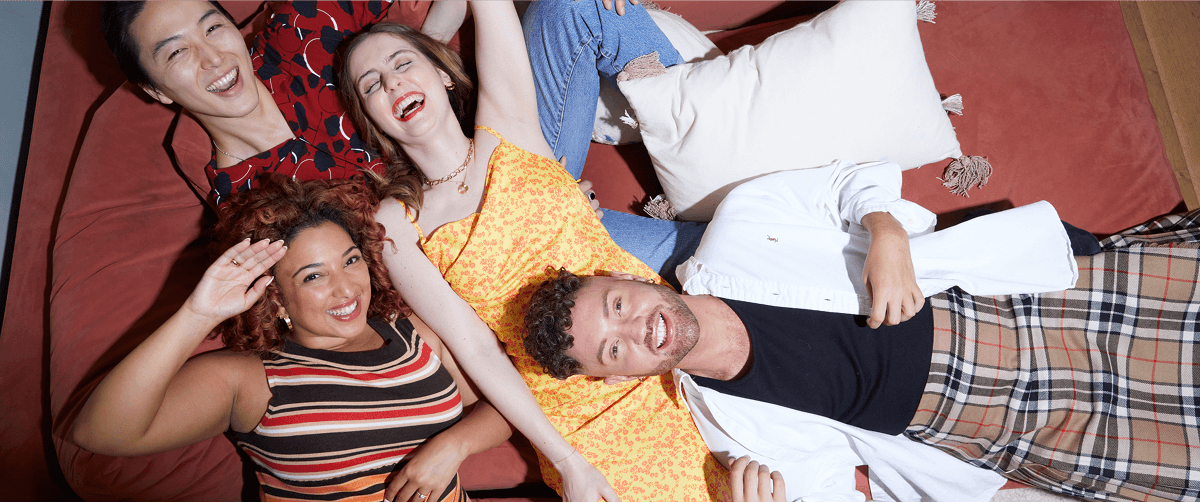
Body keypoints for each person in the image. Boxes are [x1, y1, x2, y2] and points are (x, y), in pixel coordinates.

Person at [99, 2, 617, 498]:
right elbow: (389, 302)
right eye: (176, 53)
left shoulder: (301, 29)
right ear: (154, 89)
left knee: (573, 6)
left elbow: (408, 64)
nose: (211, 57)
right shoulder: (252, 207)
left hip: (510, 156)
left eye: (211, 27)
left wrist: (430, 45)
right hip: (486, 262)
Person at [522, 160, 1200, 502]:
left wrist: (885, 228)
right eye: (616, 348)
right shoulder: (726, 431)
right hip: (989, 422)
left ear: (630, 276)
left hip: (996, 307)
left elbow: (853, 177)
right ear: (618, 375)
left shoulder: (739, 227)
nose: (639, 327)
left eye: (617, 303)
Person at [339, 1, 726, 499]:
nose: (392, 84)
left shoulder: (505, 124)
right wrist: (567, 461)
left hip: (643, 313)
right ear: (372, 120)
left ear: (443, 75)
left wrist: (433, 26)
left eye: (402, 64)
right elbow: (477, 349)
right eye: (371, 85)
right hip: (573, 406)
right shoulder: (395, 224)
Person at [71, 175, 514, 502]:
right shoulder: (250, 378)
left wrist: (452, 447)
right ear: (276, 296)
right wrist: (196, 314)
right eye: (313, 276)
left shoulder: (413, 332)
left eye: (351, 260)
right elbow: (100, 432)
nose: (346, 289)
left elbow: (503, 405)